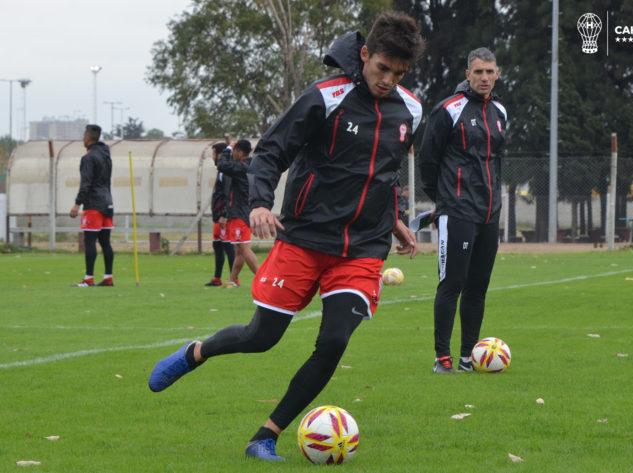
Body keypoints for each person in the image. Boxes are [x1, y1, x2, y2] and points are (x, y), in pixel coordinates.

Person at [148, 11, 424, 462]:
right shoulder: (324, 98)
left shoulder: (410, 110)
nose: (388, 81)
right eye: (382, 69)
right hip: (304, 239)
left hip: (362, 248)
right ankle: (196, 352)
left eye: (399, 73)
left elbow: (385, 172)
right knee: (262, 337)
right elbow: (271, 152)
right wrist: (258, 202)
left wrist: (393, 219)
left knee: (334, 342)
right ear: (365, 54)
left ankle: (266, 435)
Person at [418, 47, 507, 374]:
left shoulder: (500, 110)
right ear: (468, 74)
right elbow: (428, 161)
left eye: (490, 72)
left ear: (497, 74)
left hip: (489, 214)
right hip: (456, 211)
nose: (484, 78)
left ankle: (470, 356)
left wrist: (494, 200)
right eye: (478, 72)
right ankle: (443, 357)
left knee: (478, 287)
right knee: (451, 283)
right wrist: (443, 200)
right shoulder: (448, 110)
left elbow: (497, 162)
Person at [69, 124, 114, 287]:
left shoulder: (88, 158)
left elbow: (86, 183)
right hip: (108, 203)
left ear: (88, 137)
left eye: (84, 135)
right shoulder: (106, 155)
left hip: (94, 204)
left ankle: (88, 279)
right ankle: (108, 277)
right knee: (105, 242)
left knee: (90, 241)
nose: (83, 138)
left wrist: (77, 204)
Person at [216, 139, 260, 287]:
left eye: (234, 151)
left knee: (244, 249)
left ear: (240, 152)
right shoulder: (250, 165)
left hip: (240, 213)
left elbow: (221, 165)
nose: (232, 154)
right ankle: (233, 280)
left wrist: (227, 148)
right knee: (239, 250)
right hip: (243, 212)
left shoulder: (241, 167)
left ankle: (262, 278)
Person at [205, 142, 235, 287]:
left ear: (220, 154)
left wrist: (225, 214)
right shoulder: (221, 171)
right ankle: (217, 278)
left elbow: (228, 194)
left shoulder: (226, 172)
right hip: (218, 216)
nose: (212, 157)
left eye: (214, 154)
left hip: (224, 216)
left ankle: (233, 279)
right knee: (217, 245)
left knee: (228, 246)